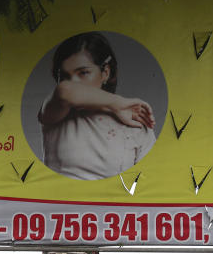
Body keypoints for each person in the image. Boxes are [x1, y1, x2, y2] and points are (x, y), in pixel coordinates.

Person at [39, 32, 156, 180]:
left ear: (105, 73)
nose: (73, 82)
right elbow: (65, 91)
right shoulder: (54, 109)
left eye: (83, 73)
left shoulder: (135, 122)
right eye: (64, 77)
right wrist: (118, 103)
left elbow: (148, 179)